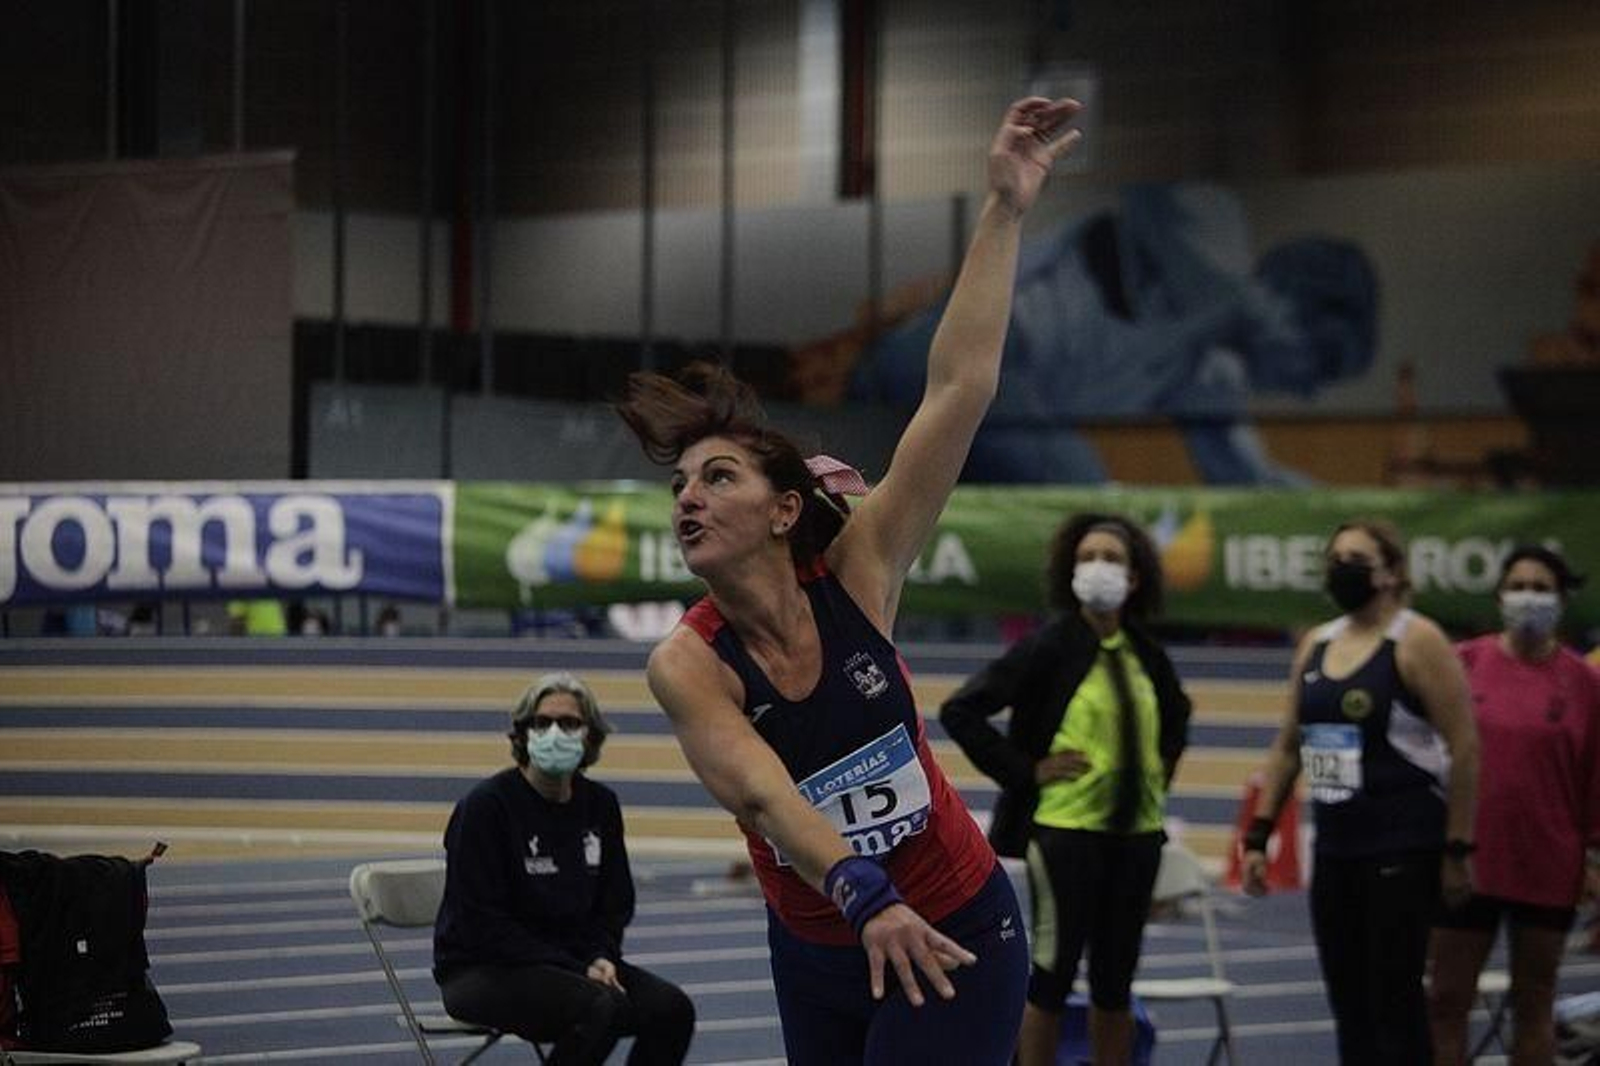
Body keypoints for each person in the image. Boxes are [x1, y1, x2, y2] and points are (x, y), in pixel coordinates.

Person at [615, 96, 1085, 1065]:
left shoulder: (861, 571)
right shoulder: (687, 662)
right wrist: (861, 894)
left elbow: (957, 389)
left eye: (717, 476)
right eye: (679, 485)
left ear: (785, 510)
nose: (687, 499)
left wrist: (1003, 208)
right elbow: (762, 796)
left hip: (953, 923)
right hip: (822, 946)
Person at [940, 513, 1191, 1066]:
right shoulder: (1048, 647)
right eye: (1086, 558)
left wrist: (1157, 777)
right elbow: (961, 710)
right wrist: (1026, 770)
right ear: (1068, 571)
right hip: (1064, 836)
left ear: (1135, 577)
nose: (1097, 568)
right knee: (1051, 976)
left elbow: (1177, 719)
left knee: (1115, 982)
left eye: (1111, 559)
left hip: (1138, 837)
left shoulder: (1147, 653)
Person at [1242, 518, 1480, 1065]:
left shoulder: (1417, 641)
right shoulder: (1317, 645)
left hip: (1402, 845)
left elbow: (1464, 747)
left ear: (1392, 573)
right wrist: (1259, 835)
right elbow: (1287, 748)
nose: (1341, 571)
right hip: (1336, 847)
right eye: (1334, 561)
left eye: (1356, 560)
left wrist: (1458, 848)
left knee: (1394, 1003)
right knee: (1349, 1005)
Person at [433, 673, 695, 1065]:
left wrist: (603, 956)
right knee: (599, 1007)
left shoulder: (601, 806)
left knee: (671, 1010)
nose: (555, 732)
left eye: (570, 723)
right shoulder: (485, 807)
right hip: (483, 967)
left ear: (590, 736)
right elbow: (480, 923)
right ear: (523, 734)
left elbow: (613, 904)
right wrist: (578, 966)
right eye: (542, 722)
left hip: (575, 962)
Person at [1428, 545, 1600, 1065]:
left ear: (1562, 600)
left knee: (1534, 1003)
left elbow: (1596, 778)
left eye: (1541, 588)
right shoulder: (1464, 664)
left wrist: (1592, 859)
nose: (1529, 597)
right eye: (1518, 586)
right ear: (1500, 595)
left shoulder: (1585, 682)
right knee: (1447, 1000)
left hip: (1549, 864)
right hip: (1469, 860)